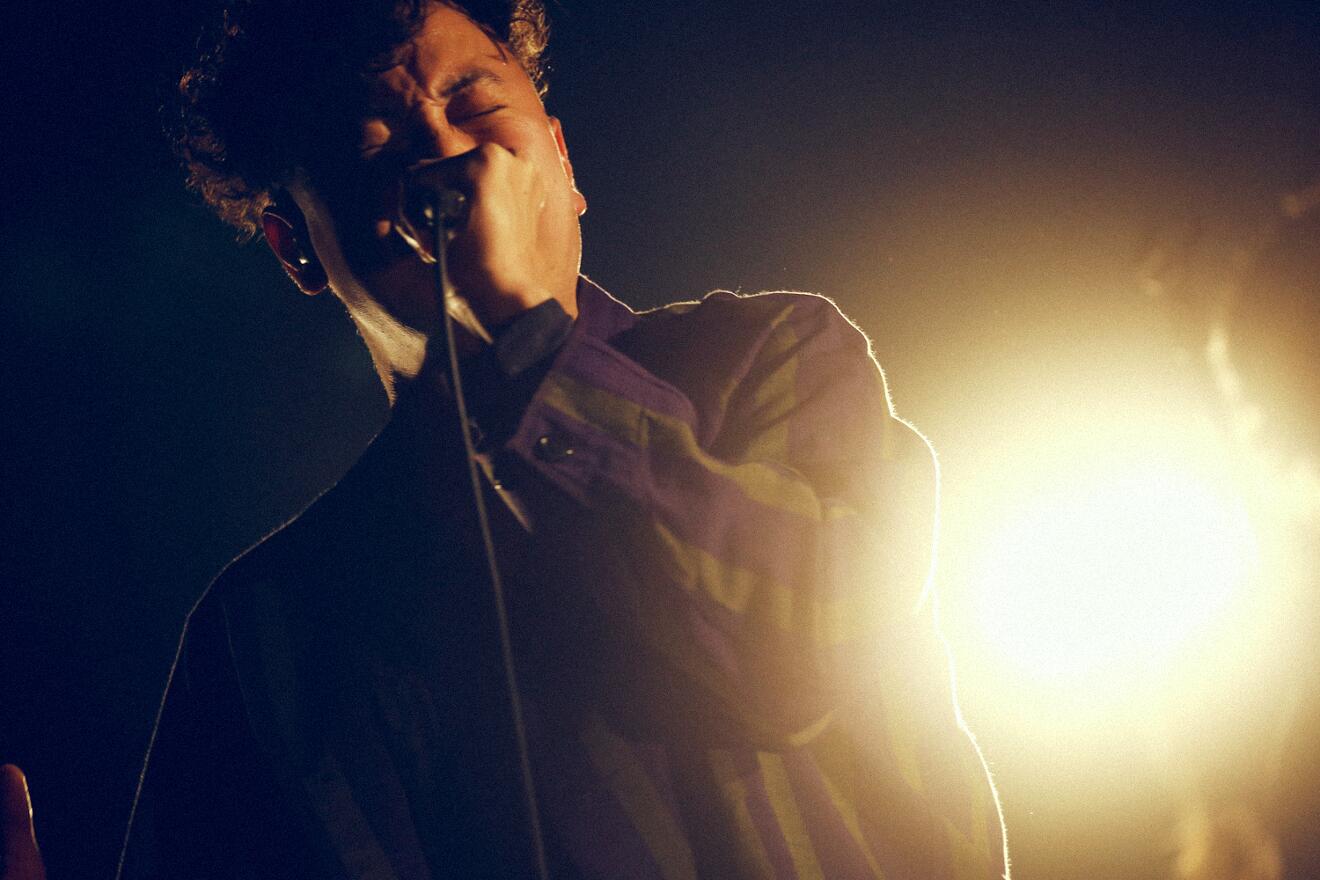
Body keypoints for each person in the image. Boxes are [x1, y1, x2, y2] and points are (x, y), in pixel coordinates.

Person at [2, 1, 1008, 877]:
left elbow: (808, 649)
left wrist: (526, 339)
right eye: (371, 148)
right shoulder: (264, 629)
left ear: (560, 162)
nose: (446, 156)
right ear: (296, 247)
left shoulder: (767, 362)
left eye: (476, 105)